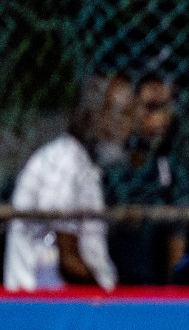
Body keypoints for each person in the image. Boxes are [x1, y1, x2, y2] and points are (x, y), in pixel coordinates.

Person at [4, 85, 118, 292]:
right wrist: (109, 301)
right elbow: (68, 260)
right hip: (46, 302)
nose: (119, 124)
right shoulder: (65, 160)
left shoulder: (79, 161)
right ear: (89, 115)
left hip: (53, 301)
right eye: (115, 113)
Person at [104, 74, 189, 284]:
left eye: (165, 107)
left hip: (153, 278)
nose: (157, 118)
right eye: (149, 107)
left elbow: (177, 235)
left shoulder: (171, 168)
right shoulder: (108, 164)